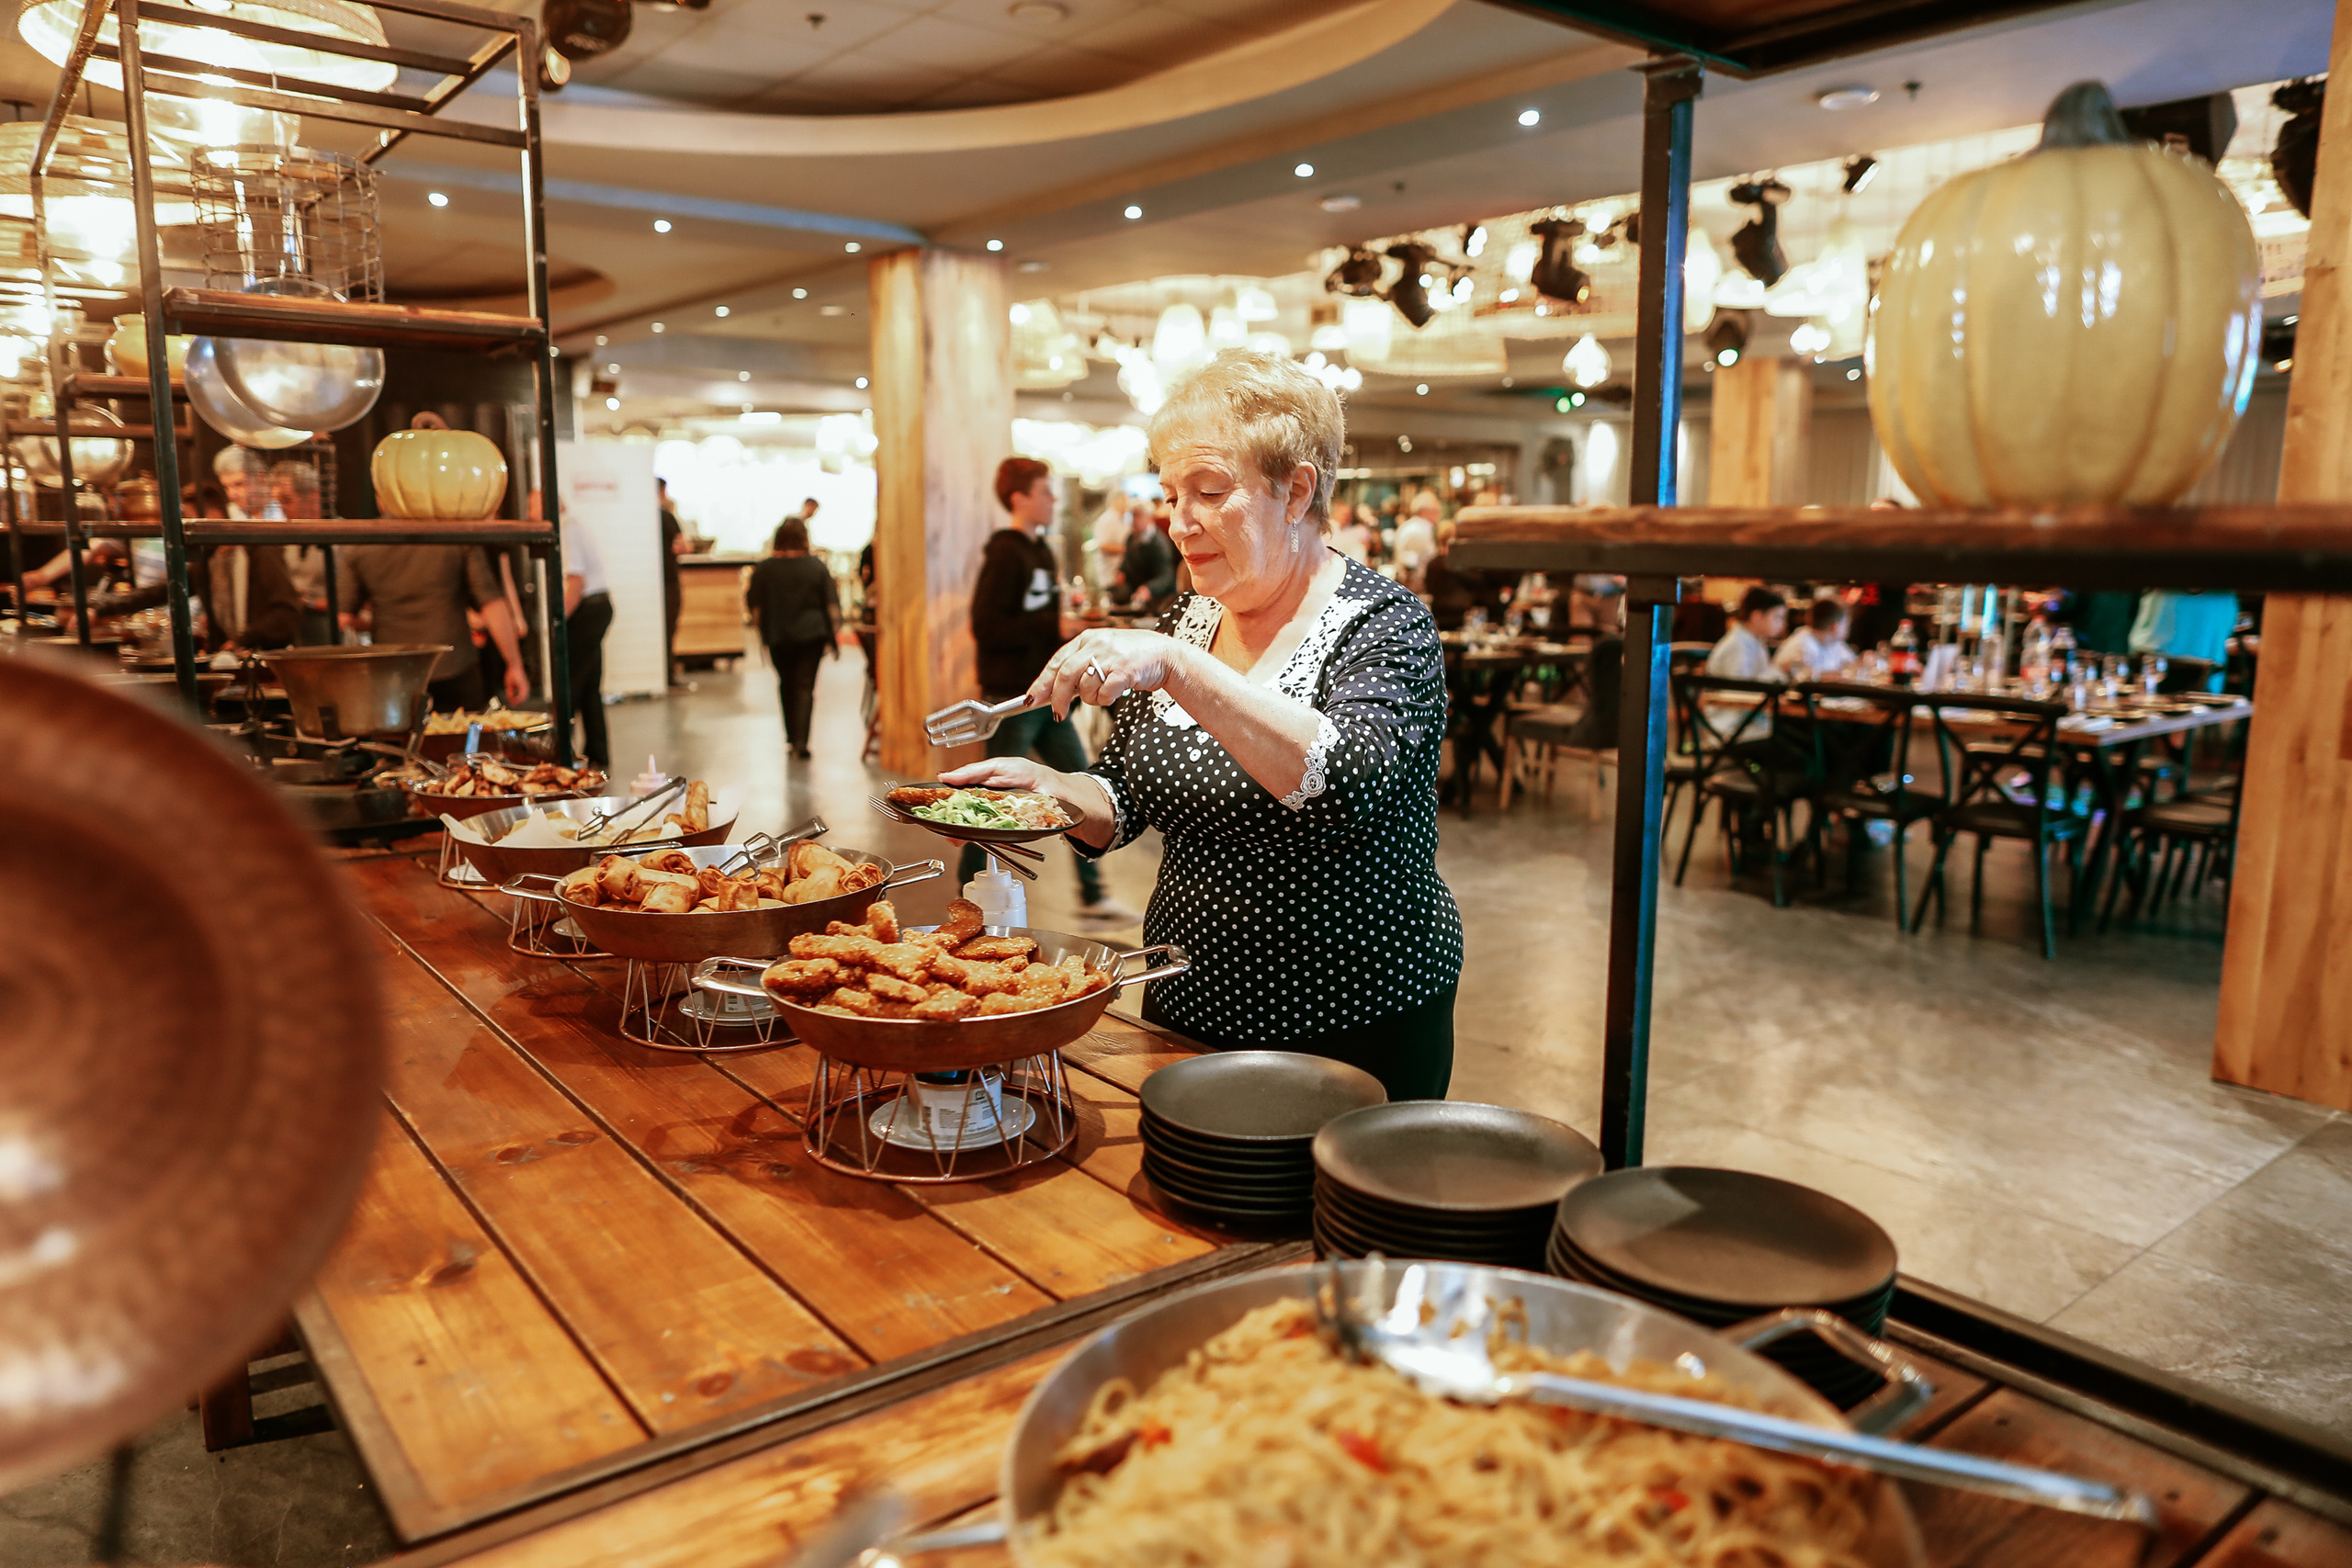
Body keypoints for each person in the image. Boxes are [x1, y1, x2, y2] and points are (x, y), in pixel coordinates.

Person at [943, 349, 1464, 1100]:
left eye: (1209, 491)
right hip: (1187, 999)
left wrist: (1177, 667)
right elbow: (1126, 792)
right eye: (1169, 492)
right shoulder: (1190, 618)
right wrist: (1050, 789)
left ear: (1296, 492)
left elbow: (1345, 781)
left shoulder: (1385, 624)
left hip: (1351, 1019)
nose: (1177, 521)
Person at [963, 457, 1137, 926]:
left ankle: (1093, 893)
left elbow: (1040, 619)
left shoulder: (1041, 552)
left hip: (1049, 696)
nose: (1053, 499)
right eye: (1044, 491)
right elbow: (986, 625)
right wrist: (1052, 624)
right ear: (1019, 497)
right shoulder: (1005, 552)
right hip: (1014, 698)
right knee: (991, 798)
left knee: (1083, 785)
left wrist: (1062, 629)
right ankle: (969, 900)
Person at [336, 541, 530, 715]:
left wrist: (384, 619)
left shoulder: (362, 546)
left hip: (395, 676)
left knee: (398, 751)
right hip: (455, 668)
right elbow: (491, 603)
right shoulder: (452, 538)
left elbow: (343, 619)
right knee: (464, 749)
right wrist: (514, 665)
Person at [746, 516, 839, 759]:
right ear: (804, 539)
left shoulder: (764, 569)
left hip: (778, 635)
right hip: (812, 636)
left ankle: (790, 739)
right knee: (805, 687)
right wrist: (833, 636)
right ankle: (801, 743)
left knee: (786, 684)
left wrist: (761, 635)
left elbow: (754, 606)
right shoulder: (816, 566)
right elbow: (832, 606)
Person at [556, 500, 613, 768]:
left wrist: (558, 622)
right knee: (590, 687)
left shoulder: (567, 531)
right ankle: (597, 754)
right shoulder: (573, 527)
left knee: (571, 685)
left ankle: (563, 755)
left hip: (587, 612)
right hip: (598, 608)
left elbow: (576, 582)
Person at [1705, 585, 1787, 682]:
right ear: (1757, 616)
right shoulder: (1737, 644)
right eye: (1777, 617)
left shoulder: (1756, 640)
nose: (1783, 624)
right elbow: (1740, 689)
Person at [1771, 595, 1857, 679]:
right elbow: (1803, 676)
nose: (1849, 628)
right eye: (1847, 624)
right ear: (1835, 626)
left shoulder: (1835, 643)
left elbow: (1851, 664)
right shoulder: (1802, 643)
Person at [1116, 502, 1179, 610]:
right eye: (1133, 516)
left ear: (1150, 518)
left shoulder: (1159, 543)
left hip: (1157, 600)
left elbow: (1166, 576)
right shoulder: (1131, 538)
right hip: (1134, 596)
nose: (1135, 520)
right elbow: (1126, 563)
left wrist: (1150, 589)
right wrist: (1121, 571)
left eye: (1139, 516)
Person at [659, 477, 685, 686]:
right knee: (669, 627)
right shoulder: (667, 517)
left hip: (652, 582)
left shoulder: (643, 517)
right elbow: (682, 547)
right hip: (668, 581)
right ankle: (668, 675)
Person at [1390, 491, 1440, 584]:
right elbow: (1430, 558)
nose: (1438, 515)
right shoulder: (1422, 529)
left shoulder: (1407, 525)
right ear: (1423, 511)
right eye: (1435, 510)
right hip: (1418, 583)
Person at [1090, 488, 1133, 592]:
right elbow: (1103, 545)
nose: (1127, 504)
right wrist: (1126, 550)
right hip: (1109, 573)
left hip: (1120, 572)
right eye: (1125, 500)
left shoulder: (1122, 519)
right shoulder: (1107, 520)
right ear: (1117, 500)